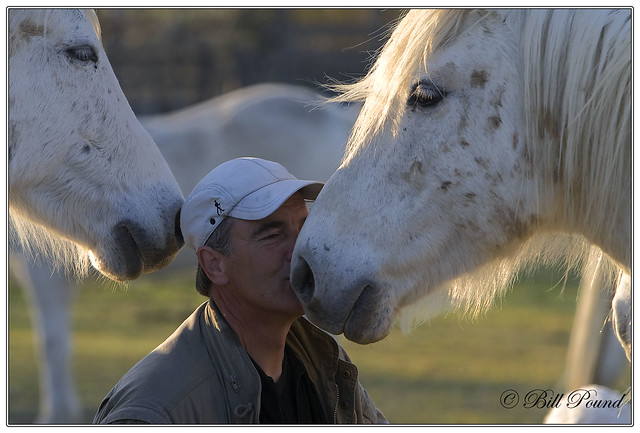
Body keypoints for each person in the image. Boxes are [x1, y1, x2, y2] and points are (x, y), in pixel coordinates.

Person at [93, 157, 387, 424]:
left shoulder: (324, 359)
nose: (302, 250)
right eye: (272, 235)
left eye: (304, 226)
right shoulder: (155, 411)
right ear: (214, 265)